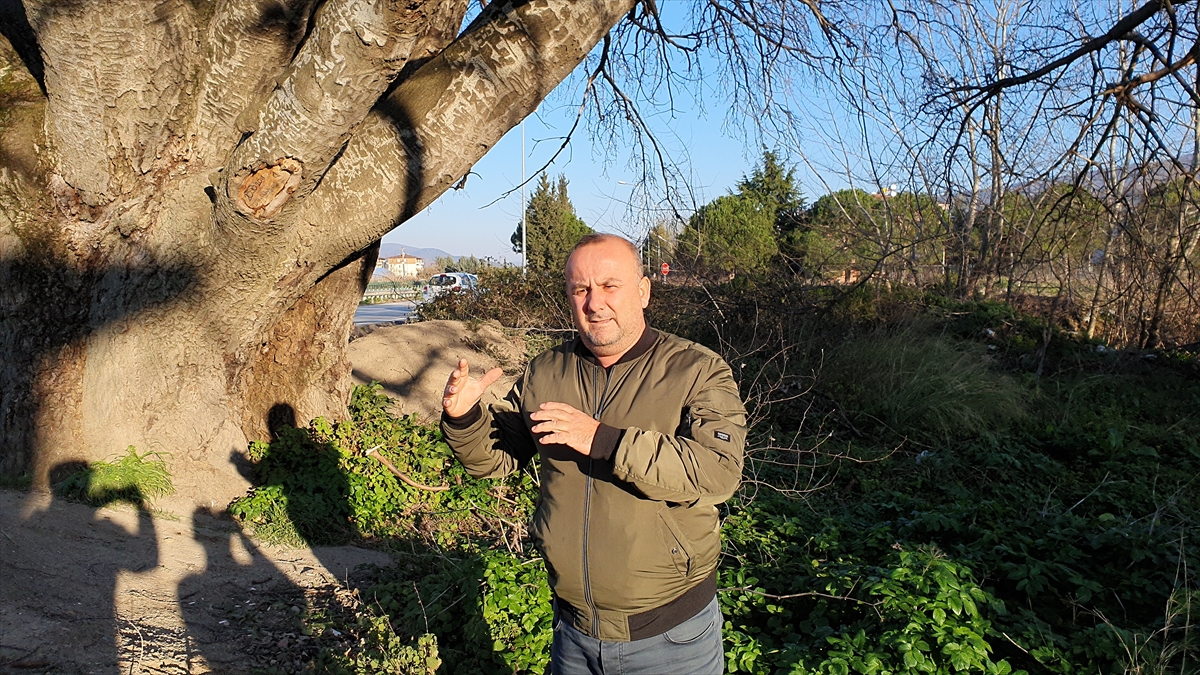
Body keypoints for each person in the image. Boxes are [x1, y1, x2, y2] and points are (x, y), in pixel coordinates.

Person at [440, 233, 746, 674]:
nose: (594, 303)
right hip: (574, 634)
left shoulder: (696, 370)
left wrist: (605, 440)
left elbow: (718, 473)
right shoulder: (545, 371)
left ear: (643, 291)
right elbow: (495, 460)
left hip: (671, 639)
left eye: (609, 286)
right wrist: (465, 417)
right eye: (580, 289)